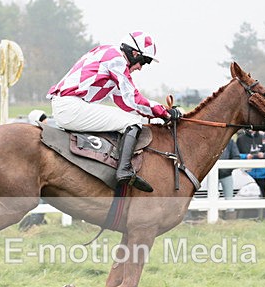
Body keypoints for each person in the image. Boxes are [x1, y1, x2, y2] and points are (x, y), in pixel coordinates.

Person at [47, 31, 180, 193]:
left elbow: (124, 102)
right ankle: (124, 170)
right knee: (133, 122)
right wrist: (164, 112)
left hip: (68, 105)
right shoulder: (116, 59)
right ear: (134, 54)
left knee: (130, 118)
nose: (140, 68)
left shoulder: (109, 54)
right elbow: (133, 98)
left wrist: (158, 113)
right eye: (143, 62)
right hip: (71, 107)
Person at [236, 129, 265, 220]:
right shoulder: (241, 139)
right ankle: (246, 217)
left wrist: (263, 155)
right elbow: (236, 154)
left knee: (263, 194)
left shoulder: (263, 138)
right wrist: (246, 156)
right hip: (247, 173)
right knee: (246, 195)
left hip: (261, 172)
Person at [218, 138, 241, 219]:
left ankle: (230, 220)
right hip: (211, 176)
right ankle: (214, 219)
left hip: (226, 174)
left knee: (229, 198)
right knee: (211, 198)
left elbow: (236, 157)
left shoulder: (230, 142)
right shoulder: (210, 139)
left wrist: (227, 169)